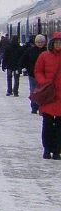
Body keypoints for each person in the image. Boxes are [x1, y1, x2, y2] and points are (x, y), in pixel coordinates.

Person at [33, 32, 61, 160]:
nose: (58, 45)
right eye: (56, 43)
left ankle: (57, 150)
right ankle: (47, 148)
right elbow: (38, 71)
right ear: (52, 43)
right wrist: (44, 82)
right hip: (49, 95)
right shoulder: (44, 56)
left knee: (59, 126)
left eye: (60, 43)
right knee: (48, 124)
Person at [24, 34, 49, 113]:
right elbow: (24, 60)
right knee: (33, 91)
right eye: (38, 42)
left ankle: (41, 107)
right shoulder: (30, 50)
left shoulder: (47, 51)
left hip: (43, 75)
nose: (40, 44)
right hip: (32, 74)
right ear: (35, 42)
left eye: (41, 42)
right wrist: (26, 67)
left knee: (42, 91)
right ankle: (34, 107)